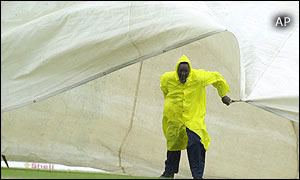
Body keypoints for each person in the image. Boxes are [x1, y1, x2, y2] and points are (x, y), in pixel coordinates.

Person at [159, 55, 232, 179]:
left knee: (195, 143)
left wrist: (223, 95)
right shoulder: (167, 78)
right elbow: (165, 90)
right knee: (173, 144)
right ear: (176, 70)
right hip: (174, 118)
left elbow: (217, 78)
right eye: (180, 71)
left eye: (185, 71)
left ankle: (197, 176)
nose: (183, 74)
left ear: (189, 71)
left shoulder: (199, 77)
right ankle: (169, 173)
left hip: (193, 119)